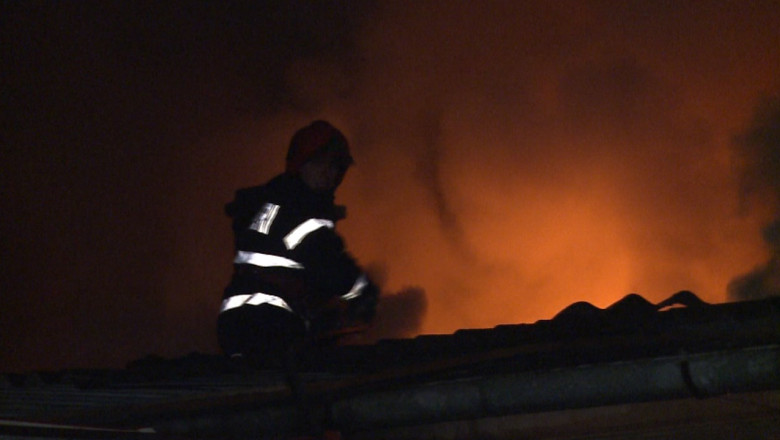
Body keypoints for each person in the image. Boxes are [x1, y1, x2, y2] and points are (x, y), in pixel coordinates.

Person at [217, 120, 379, 367]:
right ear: (302, 164)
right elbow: (333, 269)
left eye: (337, 167)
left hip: (235, 323)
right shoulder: (303, 211)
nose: (331, 174)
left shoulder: (270, 203)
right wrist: (365, 294)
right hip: (271, 322)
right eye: (323, 164)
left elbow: (295, 270)